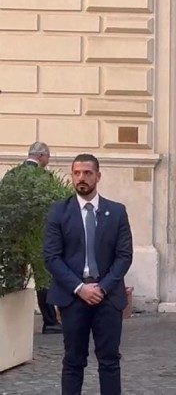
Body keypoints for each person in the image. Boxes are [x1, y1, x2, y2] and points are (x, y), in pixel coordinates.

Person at [43, 154, 133, 394]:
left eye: (87, 173)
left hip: (108, 297)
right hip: (73, 297)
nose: (81, 178)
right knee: (73, 360)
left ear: (98, 176)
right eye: (77, 173)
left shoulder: (116, 212)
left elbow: (124, 256)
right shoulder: (59, 212)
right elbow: (52, 257)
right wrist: (80, 288)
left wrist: (102, 288)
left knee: (110, 361)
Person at [3, 142, 62, 334]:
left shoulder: (12, 175)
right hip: (38, 236)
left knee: (15, 278)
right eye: (48, 157)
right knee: (43, 279)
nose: (48, 160)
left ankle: (12, 320)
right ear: (42, 156)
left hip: (15, 237)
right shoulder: (45, 177)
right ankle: (50, 322)